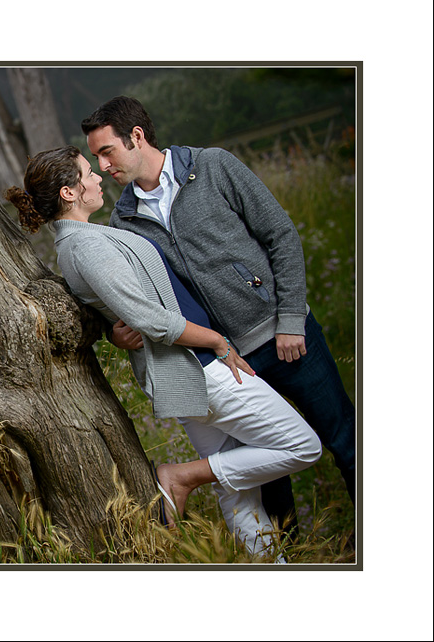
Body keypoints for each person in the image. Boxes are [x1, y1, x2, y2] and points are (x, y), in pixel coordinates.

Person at [5, 146, 322, 560]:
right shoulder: (84, 247)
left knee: (239, 494)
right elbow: (149, 318)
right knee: (302, 445)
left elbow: (120, 309)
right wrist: (217, 342)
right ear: (69, 192)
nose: (99, 177)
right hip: (198, 370)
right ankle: (180, 477)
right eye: (88, 172)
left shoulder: (84, 240)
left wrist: (114, 331)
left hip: (190, 372)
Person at [81, 96, 356, 535]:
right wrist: (118, 334)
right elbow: (146, 301)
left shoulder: (212, 167)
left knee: (344, 438)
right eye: (95, 156)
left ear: (136, 137)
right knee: (267, 472)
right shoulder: (124, 221)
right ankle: (295, 558)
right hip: (227, 362)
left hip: (284, 338)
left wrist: (288, 320)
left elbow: (280, 234)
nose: (103, 164)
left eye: (106, 151)